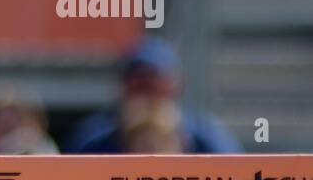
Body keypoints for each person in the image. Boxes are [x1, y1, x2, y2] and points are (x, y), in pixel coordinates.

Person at [66, 40, 241, 154]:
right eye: (139, 84)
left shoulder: (206, 138)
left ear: (176, 86)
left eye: (157, 84)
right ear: (123, 87)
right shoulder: (93, 139)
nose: (148, 95)